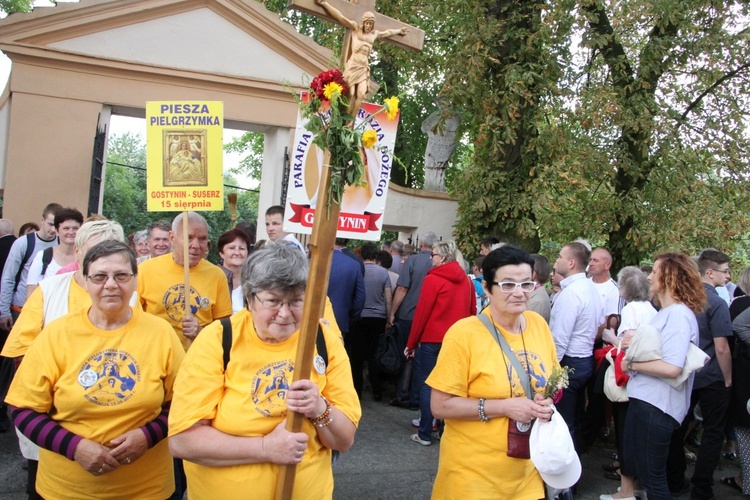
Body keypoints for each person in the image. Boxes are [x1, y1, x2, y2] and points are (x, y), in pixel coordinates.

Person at [168, 244, 361, 498]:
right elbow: (183, 441)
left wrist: (319, 408)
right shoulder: (218, 339)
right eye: (272, 300)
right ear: (249, 299)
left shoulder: (322, 339)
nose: (284, 313)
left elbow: (344, 441)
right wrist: (265, 448)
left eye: (295, 301)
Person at [5, 240, 184, 499]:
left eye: (121, 275)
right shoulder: (57, 334)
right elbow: (22, 409)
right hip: (66, 490)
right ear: (85, 281)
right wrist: (75, 447)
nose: (110, 284)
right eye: (100, 276)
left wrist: (148, 435)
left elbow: (183, 403)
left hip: (147, 489)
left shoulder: (161, 333)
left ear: (135, 280)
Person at [427, 245, 557, 498]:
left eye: (526, 284)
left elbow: (553, 381)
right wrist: (504, 407)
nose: (519, 293)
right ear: (487, 288)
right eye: (508, 285)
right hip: (473, 477)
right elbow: (440, 407)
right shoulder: (464, 334)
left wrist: (548, 401)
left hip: (528, 473)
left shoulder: (539, 326)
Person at [618, 252, 705, 499]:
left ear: (668, 277)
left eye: (655, 272)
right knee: (649, 475)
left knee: (653, 478)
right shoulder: (670, 312)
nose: (649, 276)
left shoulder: (677, 314)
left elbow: (672, 367)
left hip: (658, 406)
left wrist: (632, 364)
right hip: (652, 403)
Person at [666, 249, 733, 499]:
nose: (728, 277)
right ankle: (702, 487)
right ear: (710, 272)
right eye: (725, 271)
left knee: (676, 425)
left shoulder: (683, 299)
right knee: (713, 432)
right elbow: (722, 347)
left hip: (686, 372)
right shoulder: (716, 303)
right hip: (712, 375)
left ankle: (675, 478)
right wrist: (728, 378)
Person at [405, 241, 476, 446]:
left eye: (433, 255)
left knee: (428, 384)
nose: (431, 258)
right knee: (451, 386)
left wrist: (411, 343)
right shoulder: (467, 282)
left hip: (432, 339)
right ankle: (443, 430)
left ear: (442, 257)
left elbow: (422, 314)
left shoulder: (433, 279)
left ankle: (425, 432)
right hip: (457, 341)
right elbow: (472, 313)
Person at [599, 267, 657, 500]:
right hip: (645, 381)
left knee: (625, 432)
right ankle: (637, 486)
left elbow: (629, 344)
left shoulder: (632, 310)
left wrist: (612, 338)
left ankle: (626, 491)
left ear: (625, 289)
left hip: (629, 379)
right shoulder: (651, 309)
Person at [137, 212, 233, 350]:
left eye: (202, 239)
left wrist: (200, 331)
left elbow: (224, 330)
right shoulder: (145, 270)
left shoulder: (217, 275)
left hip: (198, 359)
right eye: (188, 238)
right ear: (172, 237)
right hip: (156, 356)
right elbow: (131, 318)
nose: (196, 245)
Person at [550, 241, 604, 451]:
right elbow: (599, 322)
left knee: (564, 421)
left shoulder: (572, 294)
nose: (557, 261)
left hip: (570, 361)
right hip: (584, 359)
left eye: (560, 257)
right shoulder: (589, 288)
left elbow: (560, 337)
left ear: (571, 263)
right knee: (575, 416)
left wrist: (552, 368)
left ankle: (567, 478)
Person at [314, 0, 407, 115]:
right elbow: (341, 17)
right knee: (351, 93)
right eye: (367, 23)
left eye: (370, 24)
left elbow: (387, 32)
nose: (368, 26)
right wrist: (325, 4)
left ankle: (351, 119)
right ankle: (345, 118)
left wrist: (398, 31)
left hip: (363, 68)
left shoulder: (374, 34)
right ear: (363, 22)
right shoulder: (355, 28)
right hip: (353, 65)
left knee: (361, 94)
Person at [388, 231, 437, 409]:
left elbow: (402, 289)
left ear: (421, 244)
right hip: (429, 317)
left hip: (408, 314)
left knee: (405, 353)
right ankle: (417, 395)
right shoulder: (439, 263)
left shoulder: (413, 261)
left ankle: (401, 392)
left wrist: (392, 312)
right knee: (422, 358)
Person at [0, 203, 61, 330]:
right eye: (50, 224)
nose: (53, 229)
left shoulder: (62, 243)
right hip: (21, 307)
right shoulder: (23, 243)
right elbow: (8, 277)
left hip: (50, 310)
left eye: (57, 225)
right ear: (42, 220)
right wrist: (4, 311)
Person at [350, 242, 391, 400]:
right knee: (374, 354)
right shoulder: (383, 273)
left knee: (357, 357)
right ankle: (376, 391)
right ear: (376, 256)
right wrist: (389, 318)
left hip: (360, 317)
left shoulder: (358, 270)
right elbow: (388, 297)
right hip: (378, 318)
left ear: (361, 254)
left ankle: (357, 391)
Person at [723, 267, 750, 494]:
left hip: (744, 371)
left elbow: (736, 327)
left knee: (744, 427)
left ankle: (747, 481)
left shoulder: (740, 305)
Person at [26, 208, 83, 296]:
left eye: (75, 228)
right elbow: (31, 293)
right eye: (66, 228)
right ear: (57, 231)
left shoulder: (86, 258)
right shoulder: (43, 256)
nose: (71, 232)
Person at [217, 228, 252, 314]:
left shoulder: (253, 280)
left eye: (242, 248)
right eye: (231, 248)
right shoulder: (212, 277)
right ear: (221, 253)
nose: (237, 252)